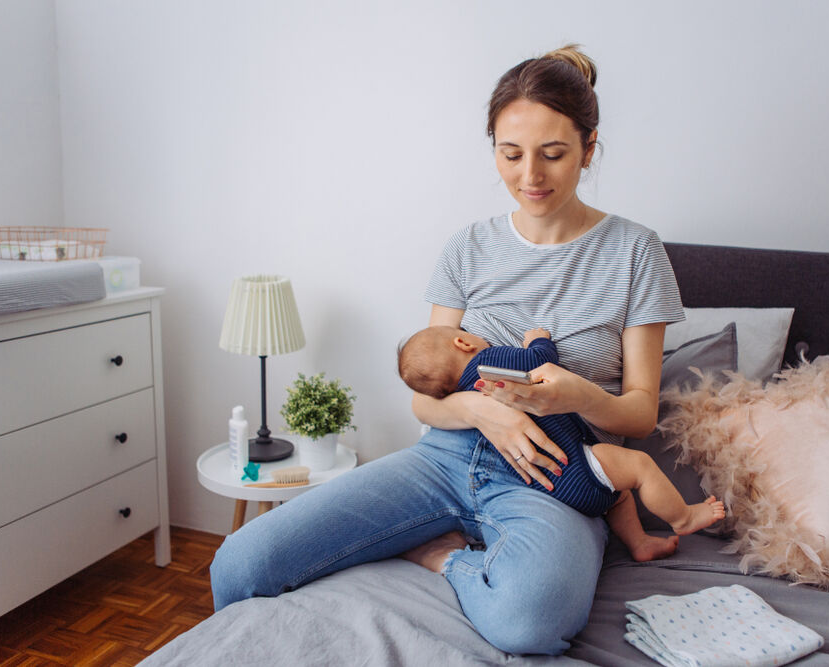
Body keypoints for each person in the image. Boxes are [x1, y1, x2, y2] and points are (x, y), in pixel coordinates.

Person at [211, 44, 687, 656]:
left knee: (530, 621)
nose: (530, 177)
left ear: (589, 149)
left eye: (553, 155)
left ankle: (446, 559)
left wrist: (581, 396)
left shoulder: (635, 252)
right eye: (510, 154)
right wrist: (482, 410)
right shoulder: (466, 248)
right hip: (443, 459)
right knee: (241, 564)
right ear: (493, 148)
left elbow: (641, 412)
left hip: (552, 479)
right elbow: (426, 401)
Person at [397, 325, 725, 535]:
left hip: (548, 486)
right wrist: (538, 340)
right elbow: (539, 362)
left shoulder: (462, 394)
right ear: (463, 341)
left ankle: (639, 544)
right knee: (639, 468)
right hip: (575, 468)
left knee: (618, 495)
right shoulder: (493, 362)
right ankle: (682, 518)